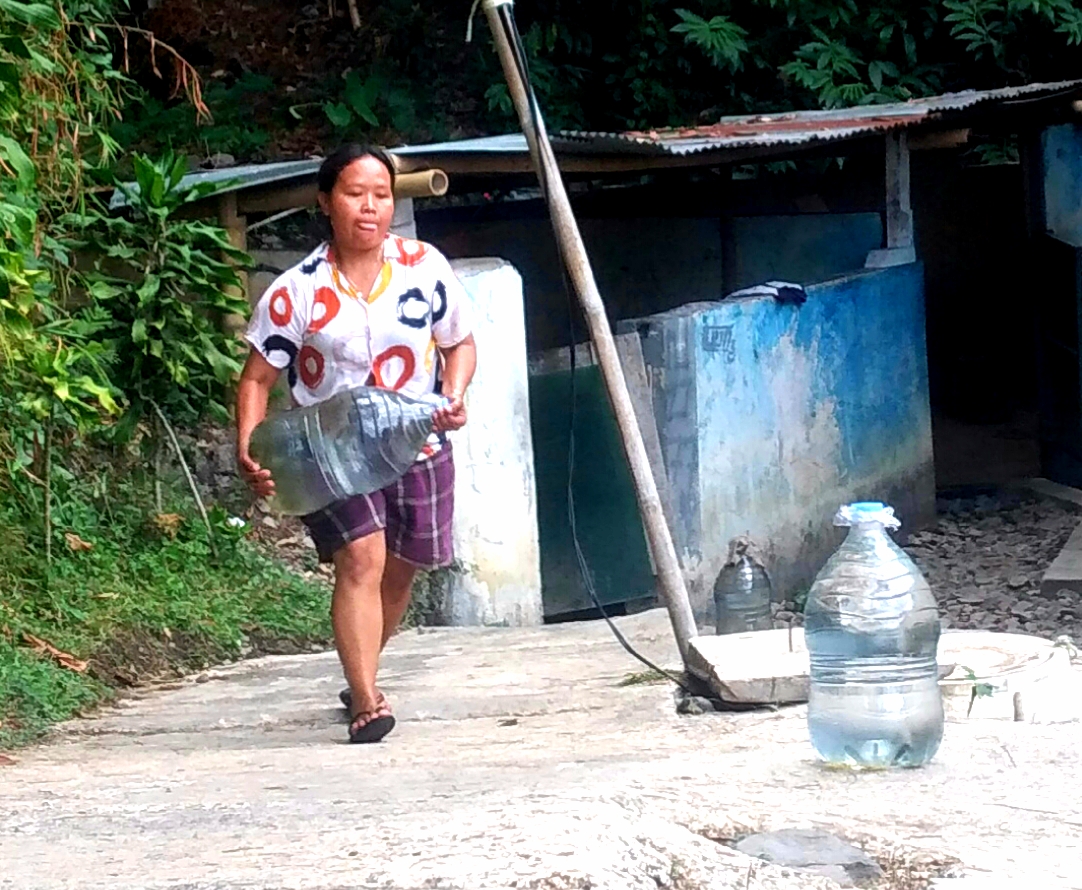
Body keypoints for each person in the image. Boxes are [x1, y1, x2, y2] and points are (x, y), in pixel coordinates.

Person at [235, 144, 477, 744]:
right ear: (326, 202)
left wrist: (452, 391)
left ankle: (360, 665)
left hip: (417, 442)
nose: (370, 207)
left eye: (381, 195)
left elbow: (461, 343)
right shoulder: (295, 293)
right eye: (354, 193)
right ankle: (367, 700)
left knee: (403, 569)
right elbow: (257, 379)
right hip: (328, 455)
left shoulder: (425, 268)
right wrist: (248, 448)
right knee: (361, 559)